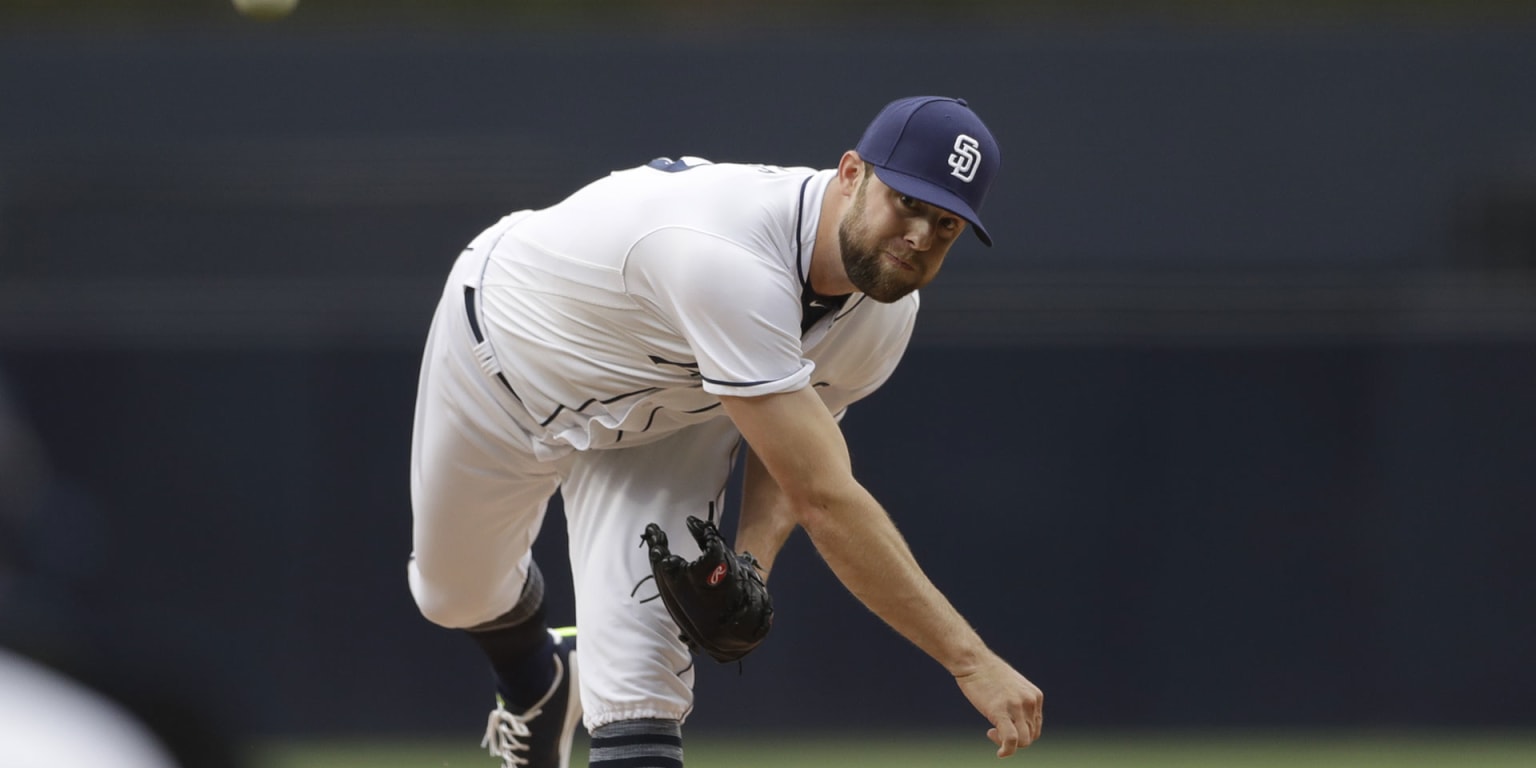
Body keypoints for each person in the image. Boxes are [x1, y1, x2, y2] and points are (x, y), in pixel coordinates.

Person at [409, 96, 1044, 768]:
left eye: (946, 223)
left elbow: (801, 434)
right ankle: (538, 676)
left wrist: (751, 567)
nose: (921, 233)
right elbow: (822, 499)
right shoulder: (727, 252)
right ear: (852, 173)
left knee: (640, 687)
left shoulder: (884, 314)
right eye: (908, 201)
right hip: (502, 363)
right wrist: (970, 662)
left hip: (670, 419)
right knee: (455, 595)